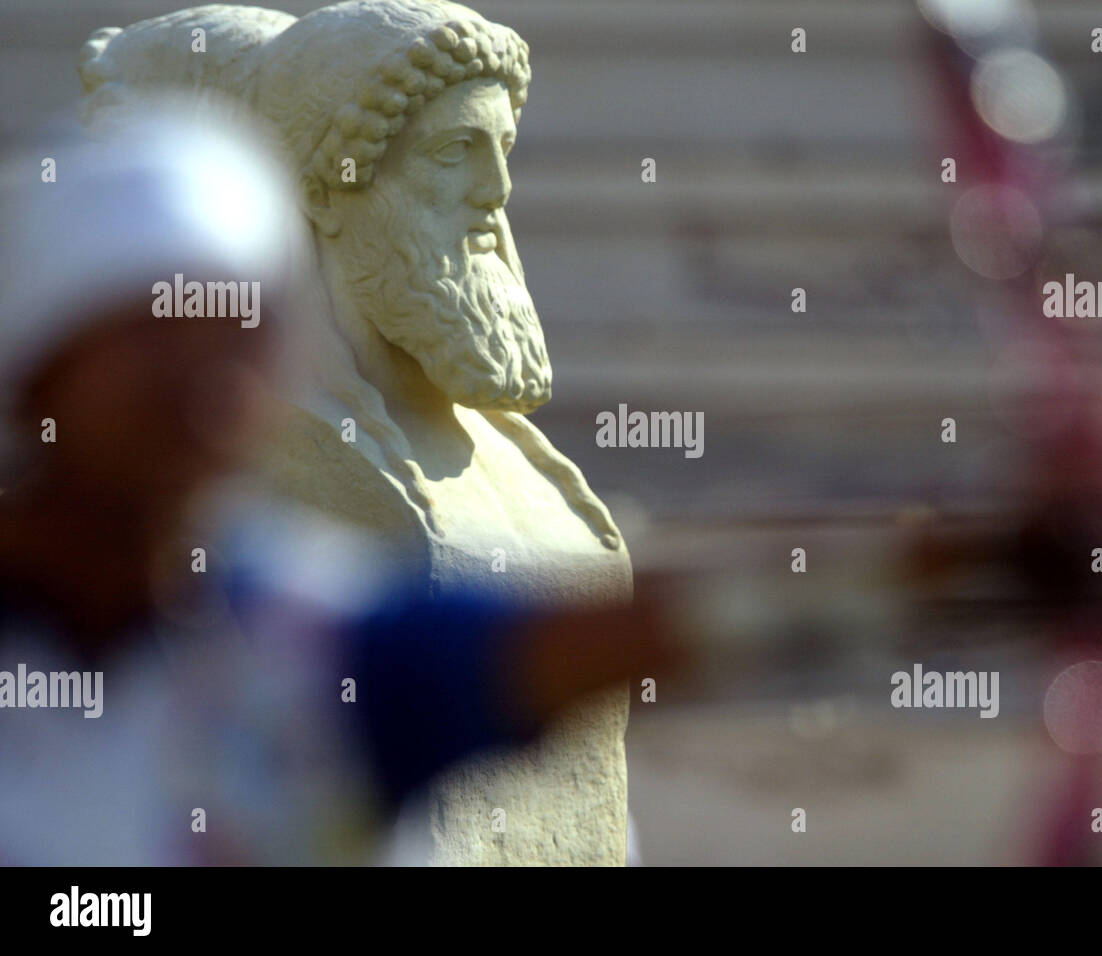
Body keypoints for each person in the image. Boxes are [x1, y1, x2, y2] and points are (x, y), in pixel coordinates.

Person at [0, 115, 679, 864]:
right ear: (40, 376)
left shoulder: (319, 644)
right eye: (155, 344)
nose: (209, 394)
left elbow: (550, 646)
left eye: (240, 345)